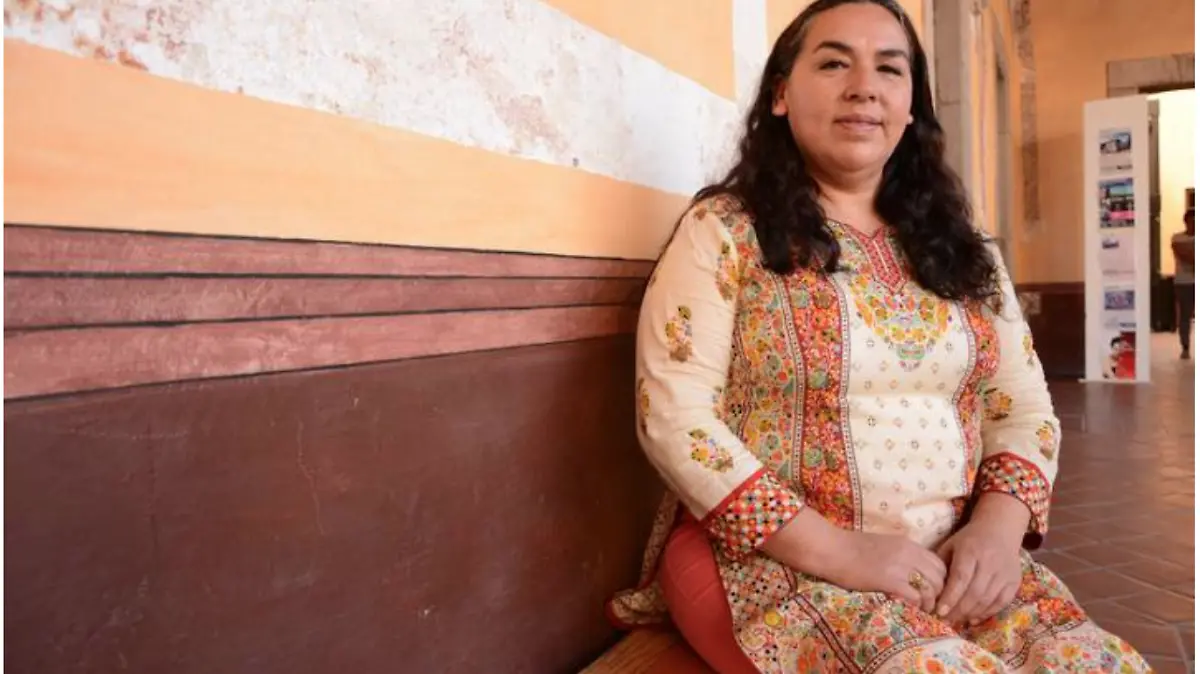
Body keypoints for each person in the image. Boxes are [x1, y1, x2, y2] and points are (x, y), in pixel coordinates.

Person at [606, 1, 1151, 671]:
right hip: (779, 564)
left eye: (890, 69)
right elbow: (675, 419)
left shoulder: (965, 251)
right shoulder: (725, 233)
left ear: (912, 105)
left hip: (952, 564)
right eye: (834, 63)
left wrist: (997, 530)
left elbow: (1024, 409)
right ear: (780, 93)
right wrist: (841, 551)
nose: (864, 87)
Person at [1172, 208, 1194, 359]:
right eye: (1191, 221)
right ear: (1185, 222)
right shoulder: (1177, 238)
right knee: (1185, 316)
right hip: (1184, 282)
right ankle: (1185, 346)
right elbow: (1182, 254)